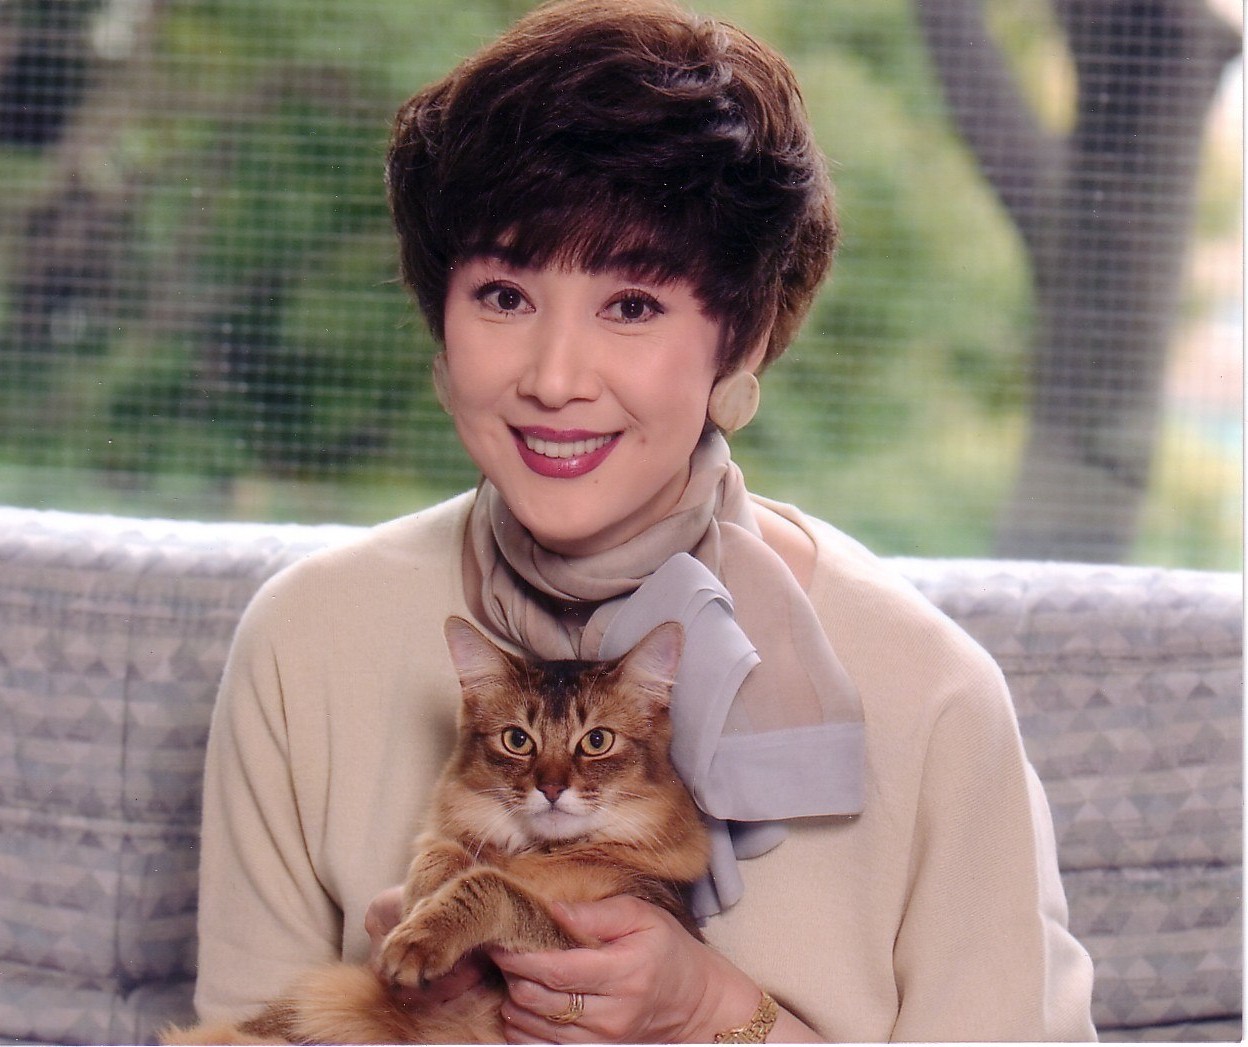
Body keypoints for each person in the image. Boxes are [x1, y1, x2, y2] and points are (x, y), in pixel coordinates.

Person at [192, 0, 1097, 1041]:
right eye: (503, 294)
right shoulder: (306, 638)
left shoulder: (931, 694)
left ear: (741, 339)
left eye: (632, 305)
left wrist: (717, 1012)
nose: (555, 378)